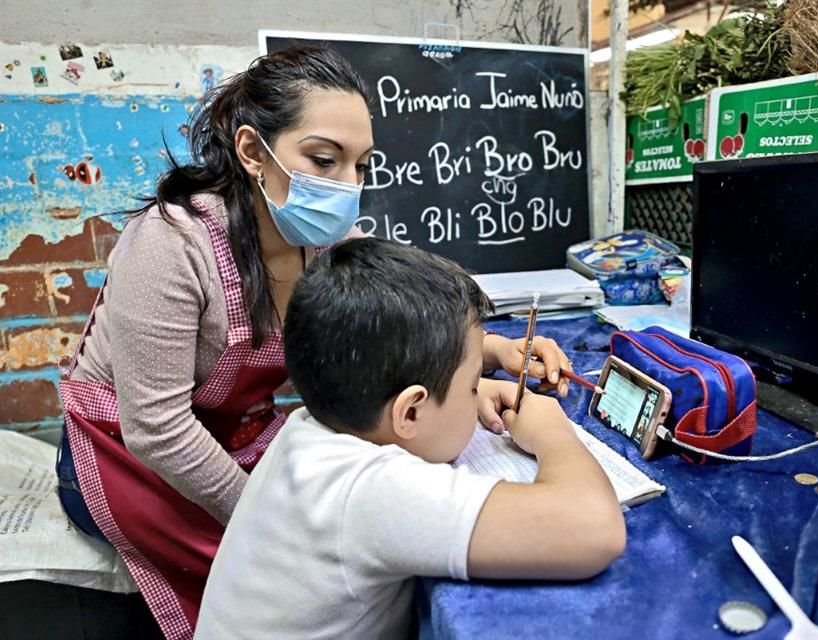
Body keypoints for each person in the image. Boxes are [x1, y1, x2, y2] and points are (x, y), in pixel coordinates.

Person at [55, 44, 571, 640]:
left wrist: (491, 352)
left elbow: (383, 334)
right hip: (128, 457)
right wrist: (269, 516)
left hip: (238, 433)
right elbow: (158, 428)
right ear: (253, 151)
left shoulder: (325, 241)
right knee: (283, 569)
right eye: (324, 160)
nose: (348, 186)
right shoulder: (171, 246)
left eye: (361, 165)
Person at [195, 237, 627, 639]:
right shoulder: (367, 492)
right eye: (473, 384)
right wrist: (554, 434)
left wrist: (460, 398)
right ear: (411, 411)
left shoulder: (312, 426)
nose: (478, 394)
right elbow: (595, 529)